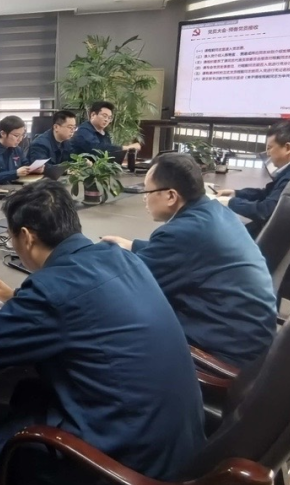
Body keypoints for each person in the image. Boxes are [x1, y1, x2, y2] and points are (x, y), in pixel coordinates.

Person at [0, 179, 205, 485]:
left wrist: (30, 302)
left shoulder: (54, 291)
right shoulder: (119, 257)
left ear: (26, 237)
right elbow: (79, 304)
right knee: (27, 390)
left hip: (132, 475)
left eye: (11, 238)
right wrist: (23, 299)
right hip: (177, 450)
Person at [101, 153, 277, 369]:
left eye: (147, 192)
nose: (144, 199)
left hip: (226, 352)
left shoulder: (182, 232)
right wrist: (133, 245)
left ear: (171, 196)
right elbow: (187, 253)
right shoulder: (215, 211)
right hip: (248, 335)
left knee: (112, 321)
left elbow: (129, 287)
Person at [217, 120, 290, 293]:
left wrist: (230, 203)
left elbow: (265, 211)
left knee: (216, 241)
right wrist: (236, 193)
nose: (268, 153)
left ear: (287, 148)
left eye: (270, 148)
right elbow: (268, 194)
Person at [69, 101, 140, 161]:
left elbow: (108, 154)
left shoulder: (105, 134)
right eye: (104, 116)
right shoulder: (83, 130)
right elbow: (97, 149)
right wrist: (125, 147)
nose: (106, 120)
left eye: (109, 118)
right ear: (93, 115)